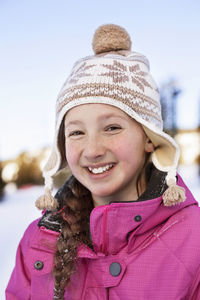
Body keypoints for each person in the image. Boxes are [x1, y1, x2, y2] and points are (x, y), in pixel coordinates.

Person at [6, 24, 200, 300]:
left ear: (149, 138)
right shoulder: (38, 240)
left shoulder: (194, 240)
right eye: (76, 133)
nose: (92, 150)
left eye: (112, 128)